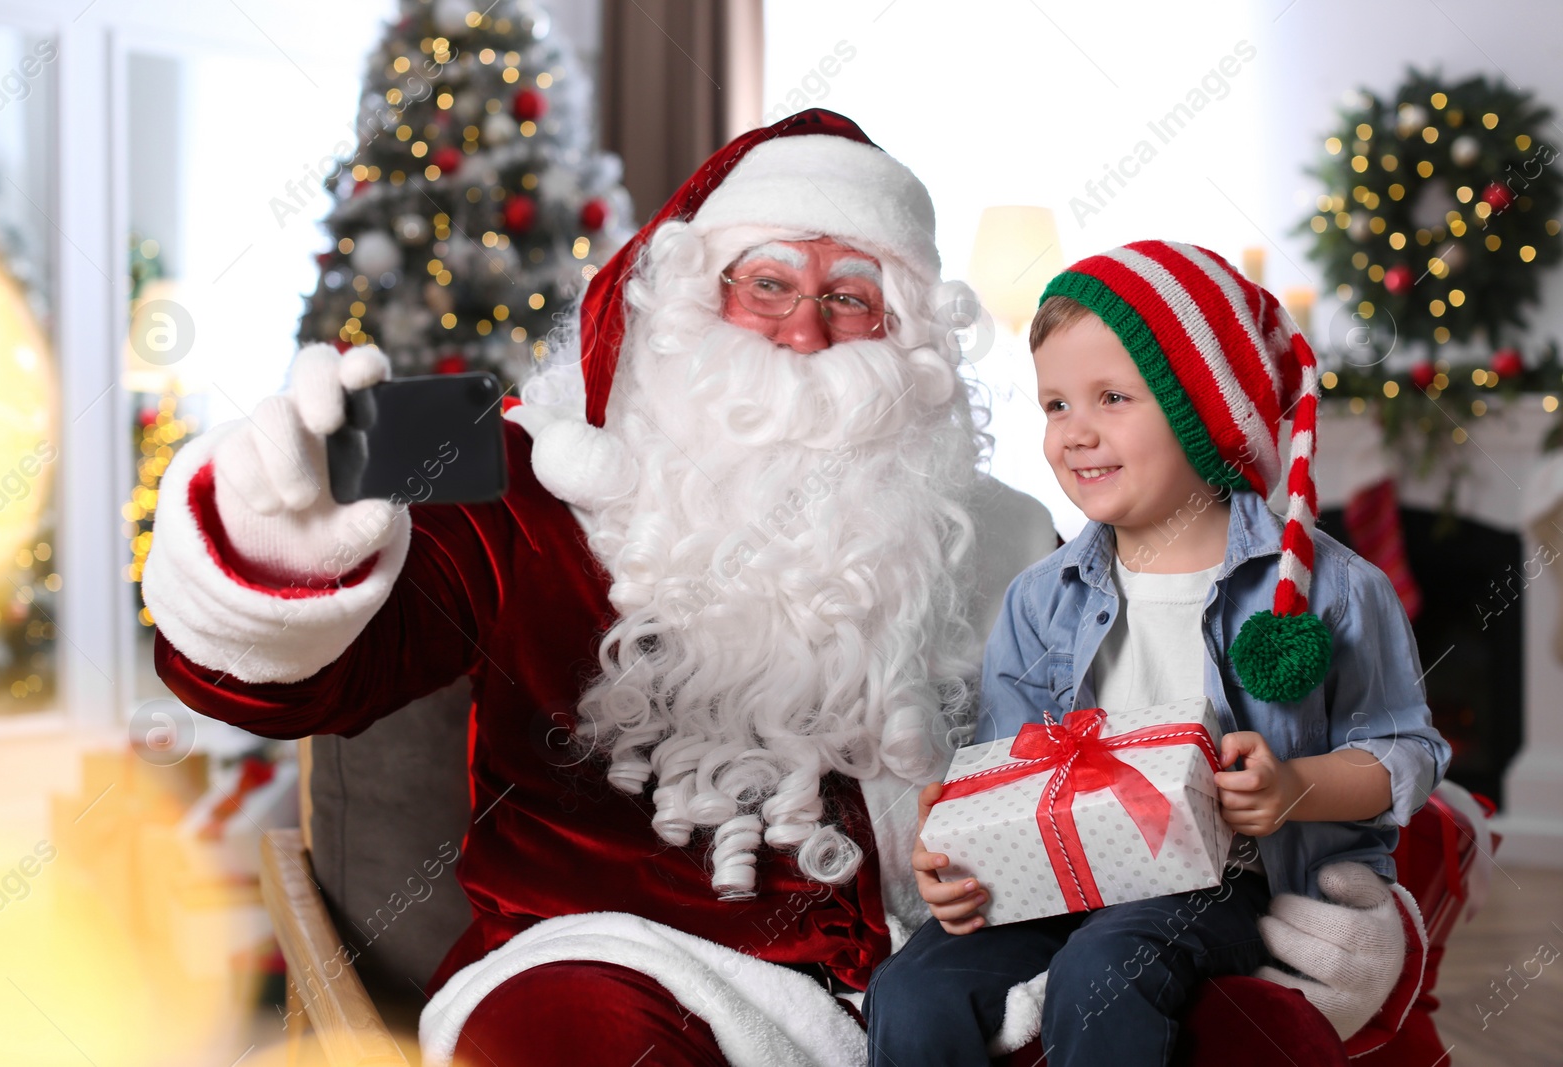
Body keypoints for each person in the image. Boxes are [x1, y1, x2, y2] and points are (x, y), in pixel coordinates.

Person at [141, 108, 1421, 1065]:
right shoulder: (534, 481)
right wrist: (273, 528)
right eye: (769, 285)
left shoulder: (1010, 536)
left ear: (911, 341)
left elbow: (1233, 745)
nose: (806, 331)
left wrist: (1353, 922)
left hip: (964, 963)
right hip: (632, 959)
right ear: (690, 300)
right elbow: (295, 676)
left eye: (850, 297)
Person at [863, 240, 1452, 1066]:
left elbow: (1406, 752)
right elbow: (1004, 766)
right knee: (911, 987)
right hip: (1065, 868)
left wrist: (1290, 788)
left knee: (1106, 969)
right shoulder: (1041, 597)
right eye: (1056, 405)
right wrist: (958, 849)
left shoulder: (1331, 587)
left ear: (1205, 410)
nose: (1076, 433)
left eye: (1111, 397)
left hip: (1228, 878)